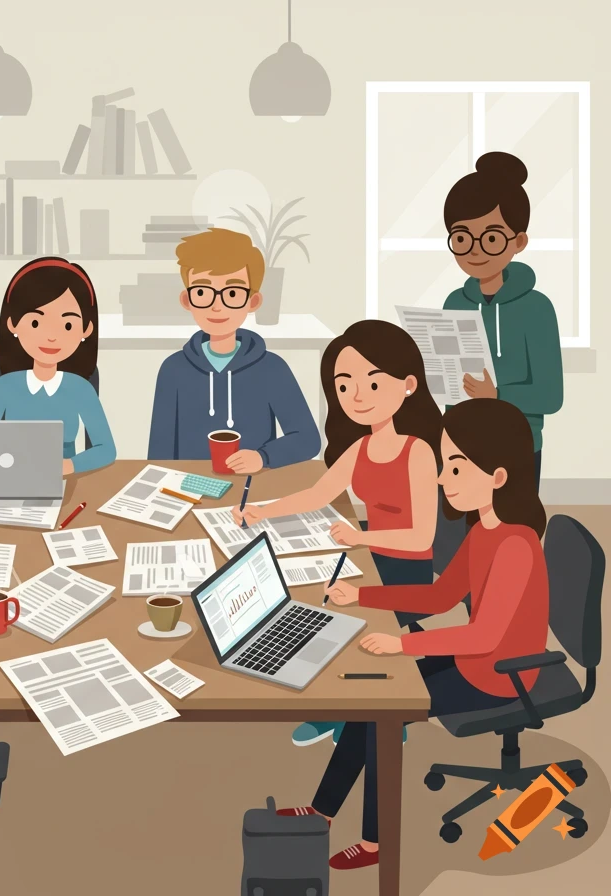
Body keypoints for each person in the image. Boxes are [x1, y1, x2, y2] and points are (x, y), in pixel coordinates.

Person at [277, 398, 549, 871]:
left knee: (385, 717)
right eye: (445, 466)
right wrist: (360, 597)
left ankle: (373, 843)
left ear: (499, 476)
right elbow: (441, 596)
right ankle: (322, 813)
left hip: (502, 675)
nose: (443, 480)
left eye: (457, 469)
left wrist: (404, 644)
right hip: (474, 659)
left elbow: (483, 636)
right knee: (369, 709)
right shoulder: (484, 528)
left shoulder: (515, 544)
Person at [234, 320, 442, 747]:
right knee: (312, 595)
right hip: (371, 553)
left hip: (405, 568)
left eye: (371, 381)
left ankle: (379, 715)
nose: (357, 395)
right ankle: (339, 707)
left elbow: (422, 538)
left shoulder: (417, 451)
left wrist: (359, 538)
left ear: (407, 385)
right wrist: (264, 511)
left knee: (338, 611)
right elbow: (318, 493)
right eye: (344, 385)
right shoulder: (361, 447)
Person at [148, 227, 320, 470]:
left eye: (232, 293)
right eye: (202, 292)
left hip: (253, 489)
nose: (217, 306)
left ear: (253, 301)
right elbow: (159, 452)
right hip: (187, 490)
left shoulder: (272, 368)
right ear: (187, 300)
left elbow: (307, 439)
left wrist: (263, 457)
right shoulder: (173, 369)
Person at [443, 151, 562, 483]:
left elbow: (551, 396)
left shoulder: (536, 309)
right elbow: (452, 386)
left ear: (519, 241)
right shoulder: (455, 303)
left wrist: (497, 395)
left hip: (517, 443)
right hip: (461, 445)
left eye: (491, 238)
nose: (475, 250)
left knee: (513, 529)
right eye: (462, 238)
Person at [0, 257, 115, 474]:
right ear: (12, 323)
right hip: (10, 474)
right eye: (35, 322)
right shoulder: (3, 385)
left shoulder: (80, 388)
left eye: (67, 325)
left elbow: (106, 449)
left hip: (64, 481)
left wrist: (68, 466)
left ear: (86, 329)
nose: (51, 337)